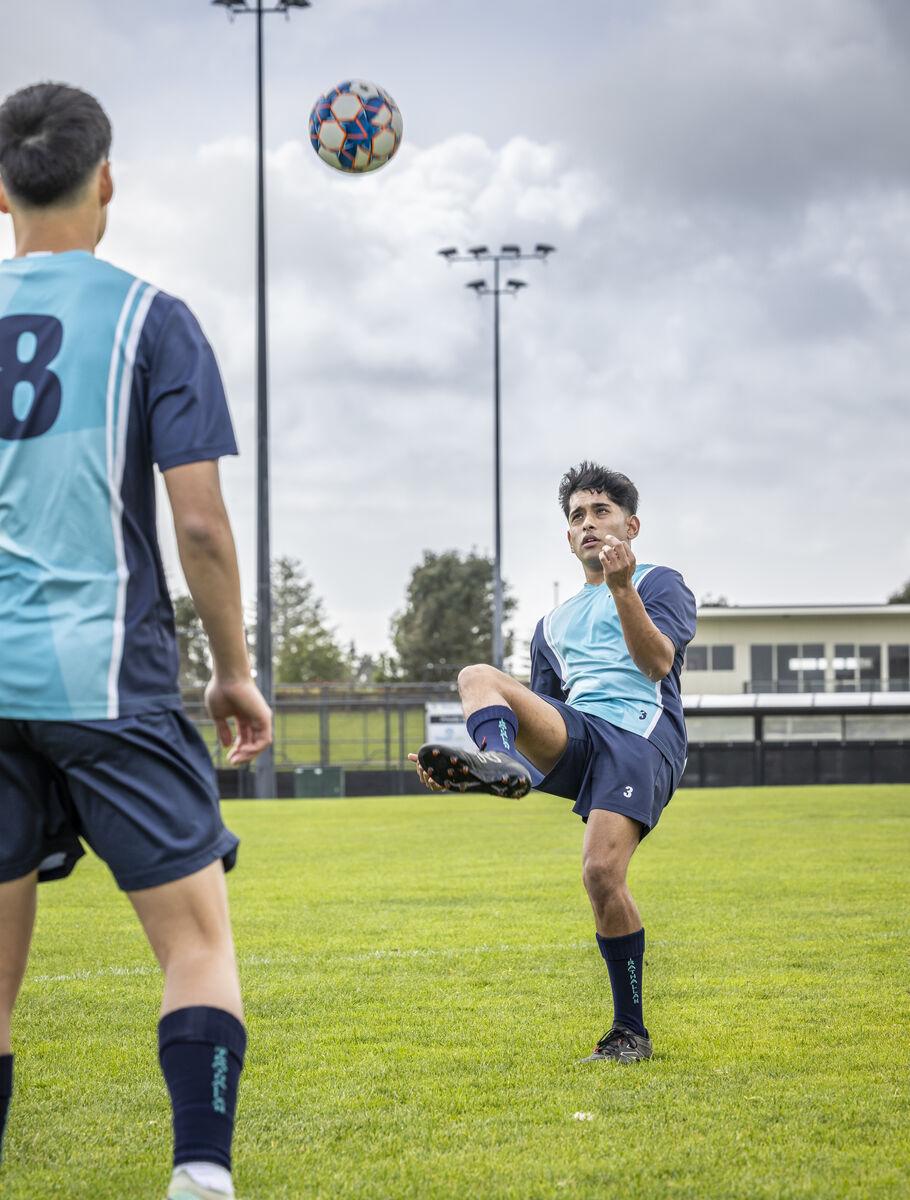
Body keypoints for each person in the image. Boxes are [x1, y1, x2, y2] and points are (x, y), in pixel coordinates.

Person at [0, 83, 272, 1199]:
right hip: (107, 677)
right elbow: (199, 524)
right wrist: (236, 672)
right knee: (198, 944)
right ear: (105, 178)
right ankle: (199, 1178)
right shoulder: (153, 318)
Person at [412, 461, 696, 1063]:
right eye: (578, 517)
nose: (589, 525)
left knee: (600, 874)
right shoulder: (551, 625)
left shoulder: (660, 582)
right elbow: (548, 710)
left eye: (602, 513)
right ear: (568, 537)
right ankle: (492, 760)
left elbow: (658, 665)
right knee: (477, 676)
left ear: (631, 525)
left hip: (640, 735)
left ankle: (629, 1033)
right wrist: (485, 766)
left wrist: (623, 590)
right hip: (581, 731)